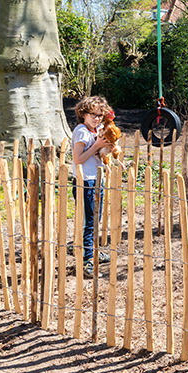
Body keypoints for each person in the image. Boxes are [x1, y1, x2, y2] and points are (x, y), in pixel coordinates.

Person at [72, 96, 112, 278]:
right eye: (93, 115)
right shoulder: (81, 132)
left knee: (95, 219)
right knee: (89, 222)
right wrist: (96, 144)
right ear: (83, 114)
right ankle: (87, 259)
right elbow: (78, 159)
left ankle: (93, 251)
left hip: (96, 180)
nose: (97, 119)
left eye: (100, 116)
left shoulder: (96, 130)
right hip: (85, 181)